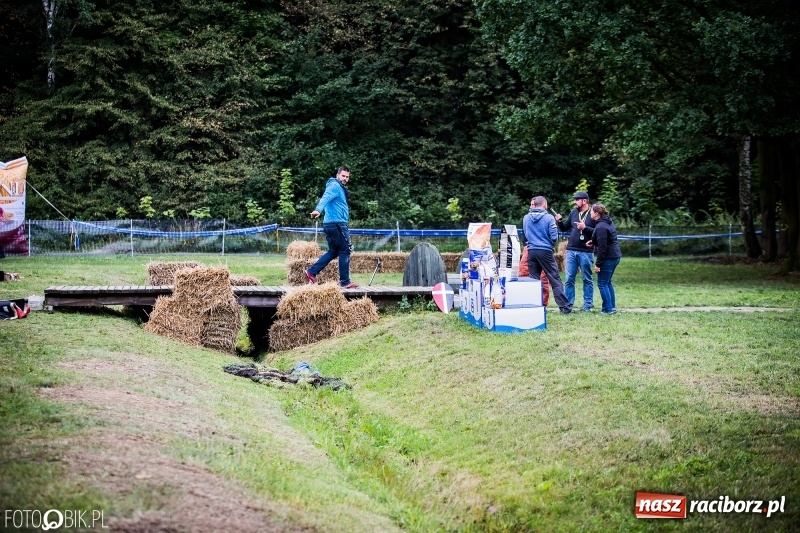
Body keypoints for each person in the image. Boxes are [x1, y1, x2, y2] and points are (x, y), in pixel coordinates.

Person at [304, 166, 359, 288]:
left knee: (334, 251)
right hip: (337, 224)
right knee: (345, 250)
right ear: (337, 175)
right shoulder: (334, 186)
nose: (345, 178)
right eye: (343, 176)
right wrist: (318, 209)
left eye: (347, 177)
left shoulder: (338, 187)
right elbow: (325, 197)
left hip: (330, 224)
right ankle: (345, 282)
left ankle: (311, 272)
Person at [522, 196, 572, 314]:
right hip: (545, 251)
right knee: (554, 279)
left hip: (532, 250)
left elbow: (525, 235)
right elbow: (554, 236)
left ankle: (534, 305)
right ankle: (565, 307)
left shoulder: (526, 218)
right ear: (544, 205)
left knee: (534, 279)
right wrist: (549, 244)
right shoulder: (549, 218)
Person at [554, 191, 595, 312]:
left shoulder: (593, 214)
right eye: (575, 199)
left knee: (587, 279)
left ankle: (587, 305)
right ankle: (568, 305)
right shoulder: (573, 212)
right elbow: (564, 228)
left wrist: (585, 228)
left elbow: (598, 231)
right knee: (569, 278)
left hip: (586, 251)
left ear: (585, 201)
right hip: (571, 250)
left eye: (577, 199)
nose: (575, 202)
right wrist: (559, 221)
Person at [586, 203, 622, 314]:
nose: (590, 213)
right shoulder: (607, 222)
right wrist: (594, 241)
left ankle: (608, 310)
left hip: (608, 257)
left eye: (591, 211)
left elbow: (603, 247)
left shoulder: (601, 226)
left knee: (602, 284)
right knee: (607, 283)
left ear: (596, 213)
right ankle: (611, 307)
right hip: (615, 256)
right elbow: (606, 239)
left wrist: (598, 264)